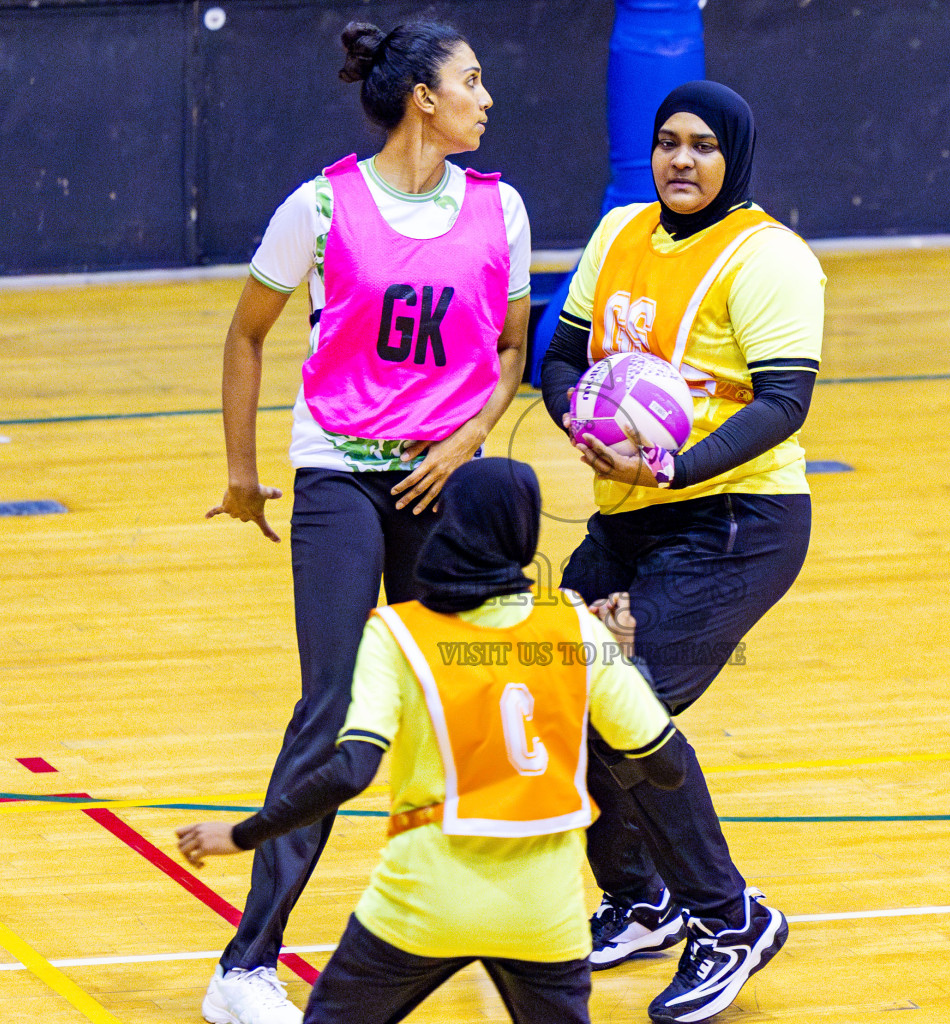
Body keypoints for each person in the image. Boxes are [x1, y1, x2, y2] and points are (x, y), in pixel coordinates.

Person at [201, 19, 532, 1024]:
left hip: (443, 484)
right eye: (471, 81)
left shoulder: (501, 208)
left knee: (467, 700)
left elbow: (511, 353)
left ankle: (493, 926)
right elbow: (248, 334)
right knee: (336, 709)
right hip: (341, 475)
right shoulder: (318, 207)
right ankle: (243, 966)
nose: (486, 97)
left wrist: (467, 440)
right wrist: (247, 471)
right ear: (422, 99)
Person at [178, 459, 689, 1024]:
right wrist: (622, 662)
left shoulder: (398, 631)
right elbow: (664, 767)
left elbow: (350, 771)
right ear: (526, 534)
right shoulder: (577, 626)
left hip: (423, 901)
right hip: (545, 914)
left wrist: (242, 834)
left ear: (446, 521)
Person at [538, 80, 824, 1023]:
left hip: (736, 521)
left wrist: (675, 466)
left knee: (631, 703)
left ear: (732, 157)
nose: (682, 161)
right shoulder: (619, 231)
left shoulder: (771, 258)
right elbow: (562, 357)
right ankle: (643, 900)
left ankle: (729, 918)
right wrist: (576, 424)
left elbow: (785, 403)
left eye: (703, 146)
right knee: (557, 689)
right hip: (629, 512)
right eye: (668, 143)